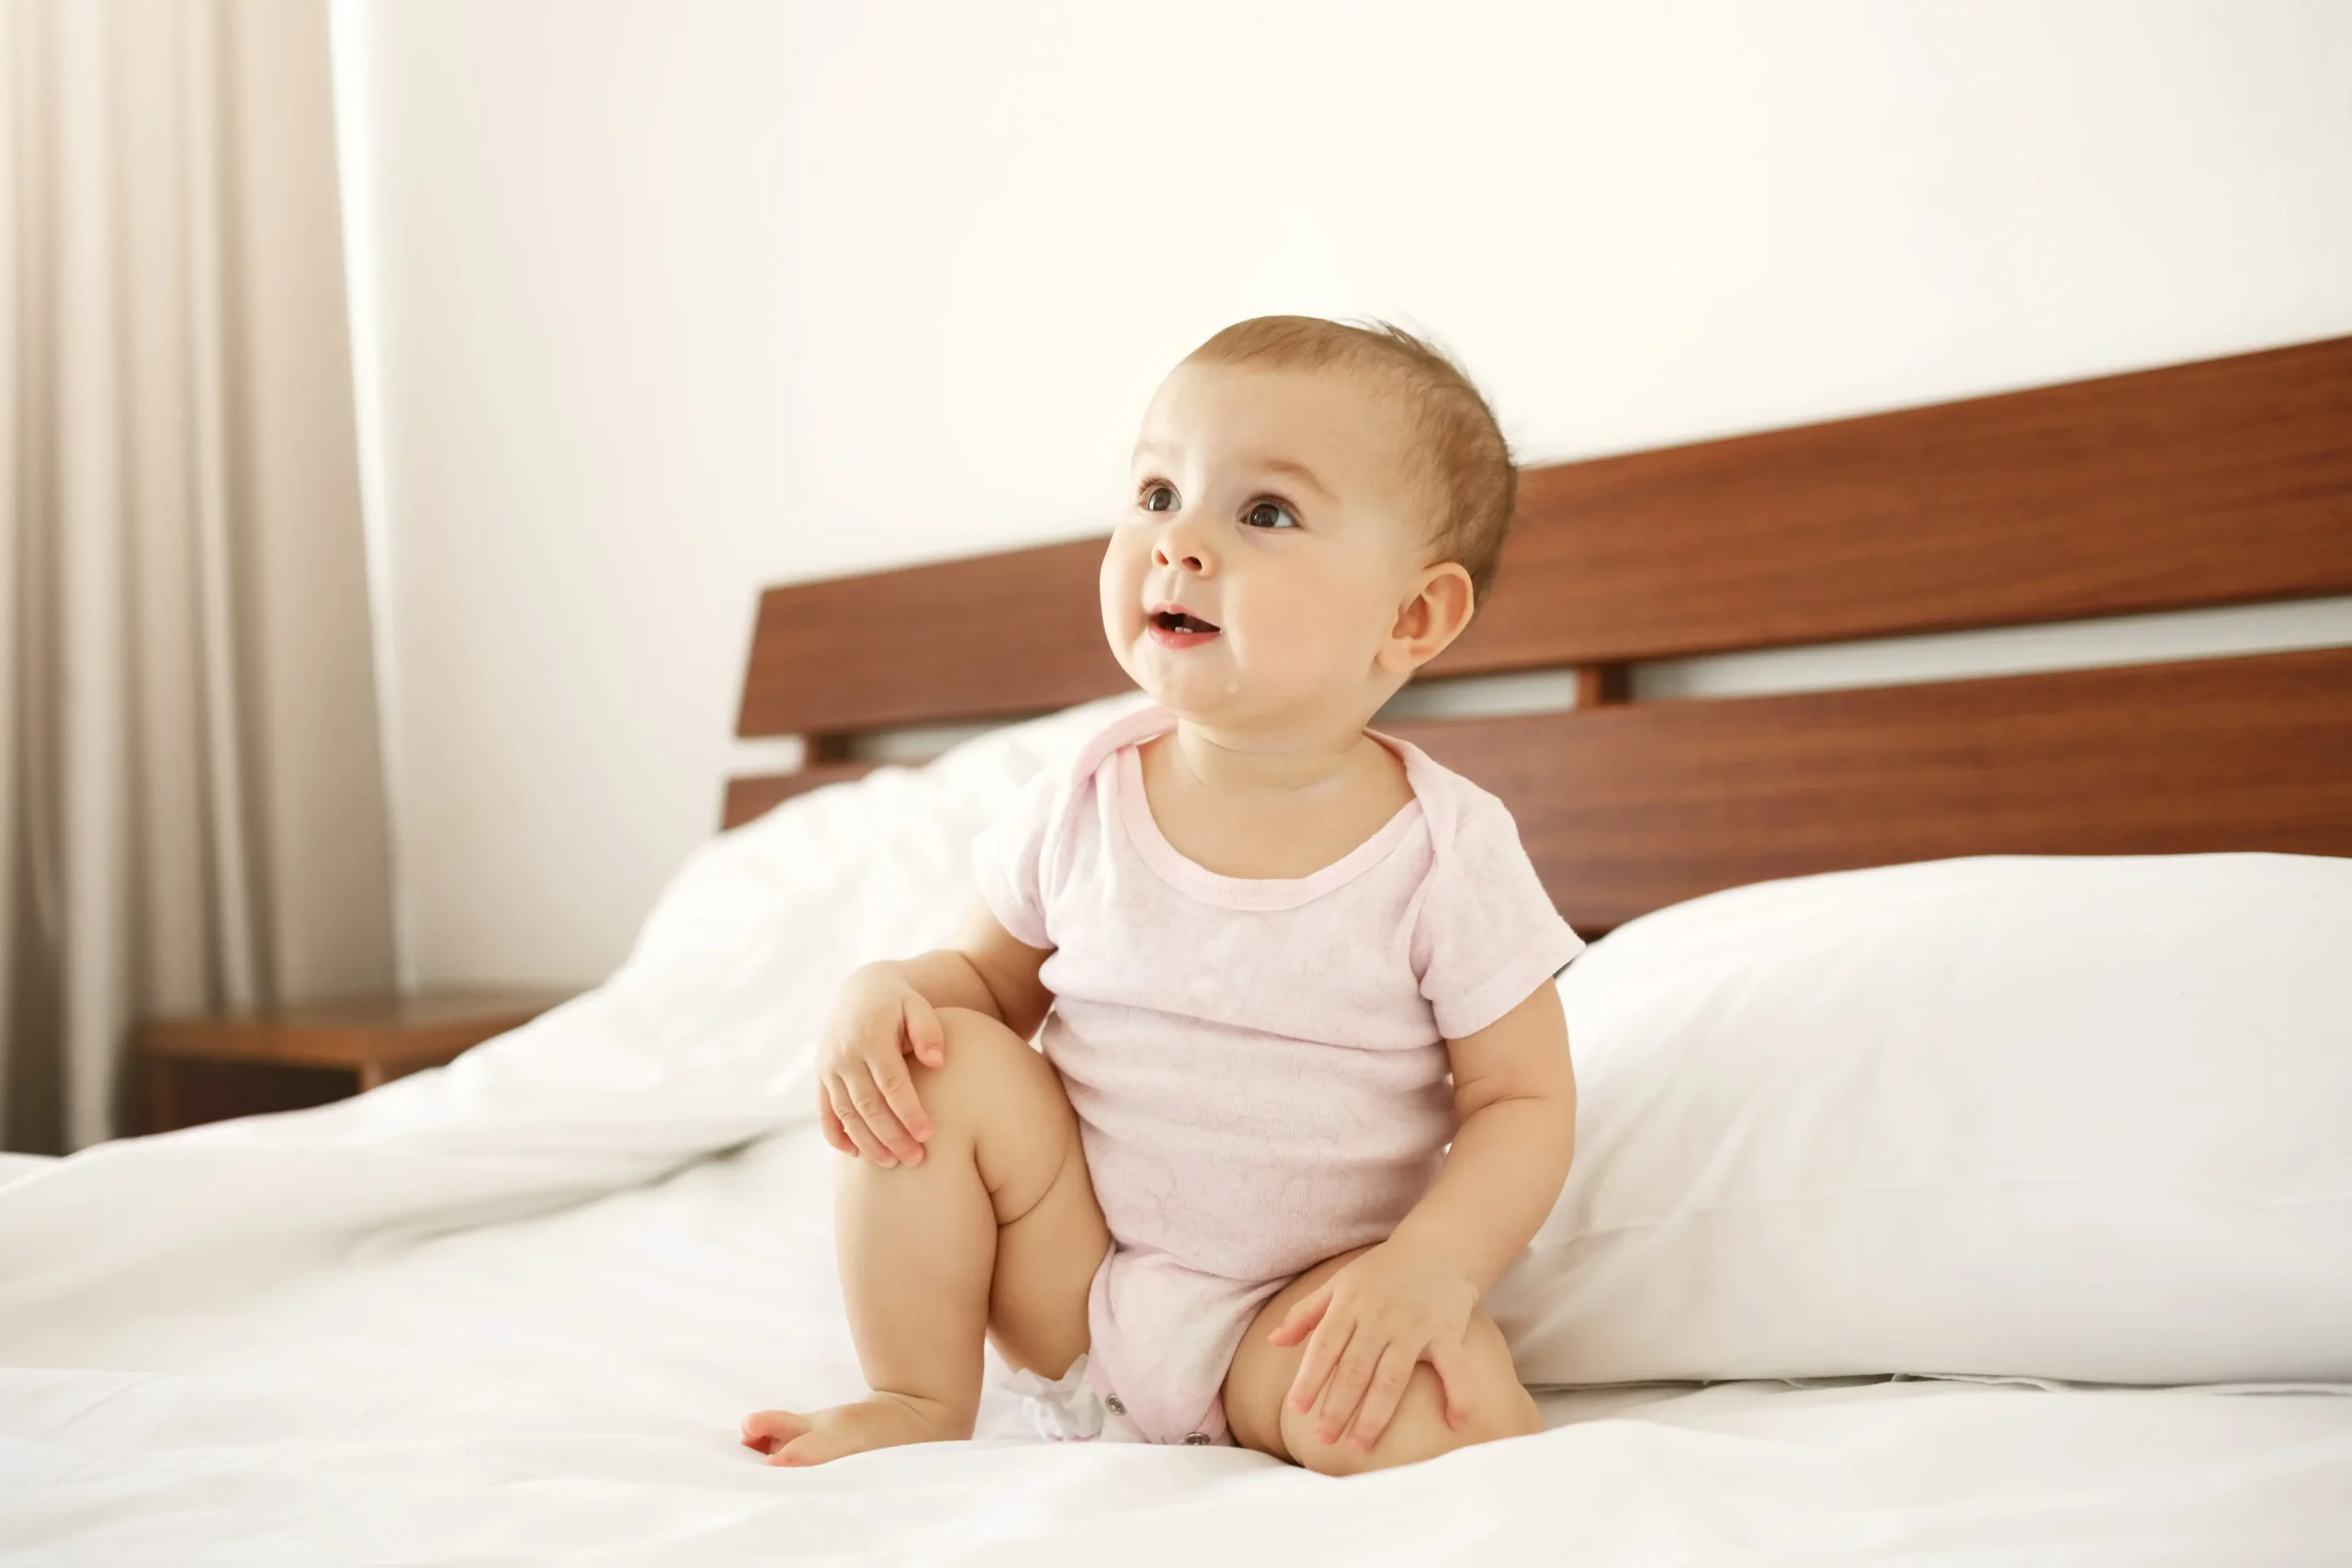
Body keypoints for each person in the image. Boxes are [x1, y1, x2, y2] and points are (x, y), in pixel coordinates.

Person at [742, 317, 1581, 1474]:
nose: (1177, 542)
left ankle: (1370, 1400)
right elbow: (982, 986)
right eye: (1156, 493)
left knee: (1454, 1415)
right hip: (1072, 1283)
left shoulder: (1444, 852)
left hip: (1293, 1311)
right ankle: (914, 1394)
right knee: (929, 1060)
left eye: (1264, 512)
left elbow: (1522, 1102)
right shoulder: (1082, 796)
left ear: (1411, 618)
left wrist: (1430, 1268)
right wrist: (885, 990)